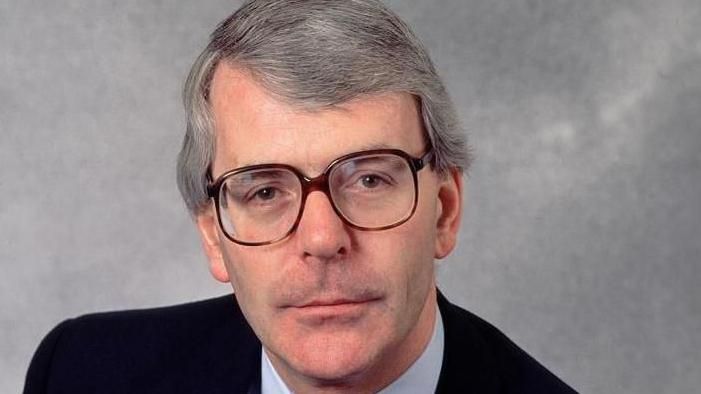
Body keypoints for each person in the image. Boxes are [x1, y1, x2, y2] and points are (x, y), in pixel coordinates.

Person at [24, 1, 576, 393]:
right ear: (214, 236)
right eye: (265, 190)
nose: (322, 239)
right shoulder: (82, 374)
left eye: (369, 180)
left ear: (444, 210)